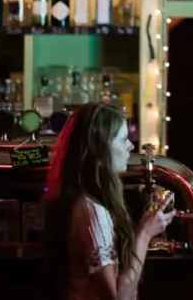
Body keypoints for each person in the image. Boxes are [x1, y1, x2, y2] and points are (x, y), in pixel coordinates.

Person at [44, 102, 175, 300]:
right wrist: (145, 232)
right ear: (99, 148)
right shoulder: (92, 211)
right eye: (123, 140)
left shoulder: (80, 199)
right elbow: (117, 297)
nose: (131, 146)